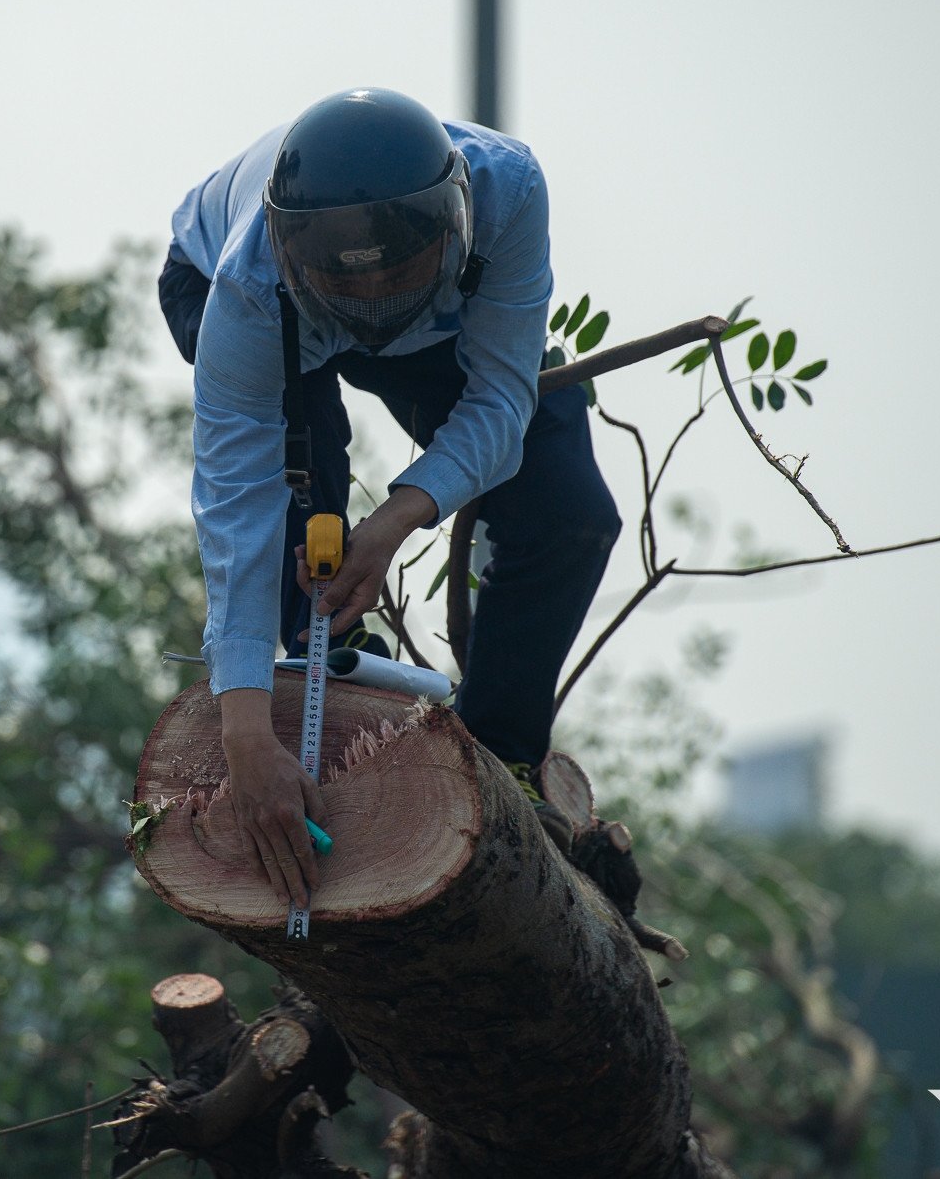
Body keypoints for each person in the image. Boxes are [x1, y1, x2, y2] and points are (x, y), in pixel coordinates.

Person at [159, 88, 620, 908]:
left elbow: (502, 403)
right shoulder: (246, 284)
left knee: (569, 514)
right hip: (275, 316)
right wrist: (245, 733)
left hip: (435, 328)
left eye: (393, 278)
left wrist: (395, 520)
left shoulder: (510, 191)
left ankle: (499, 765)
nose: (370, 308)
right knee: (307, 530)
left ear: (455, 228)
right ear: (285, 249)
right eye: (347, 287)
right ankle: (321, 692)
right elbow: (237, 501)